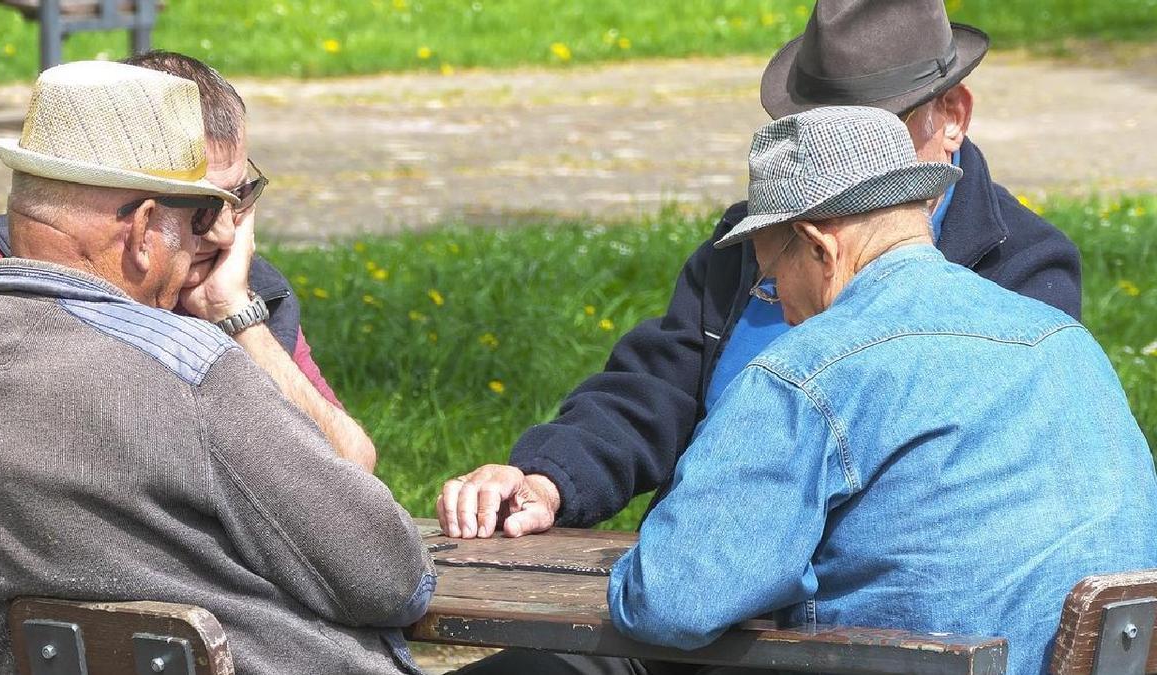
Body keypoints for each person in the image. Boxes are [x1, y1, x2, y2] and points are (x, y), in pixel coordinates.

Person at [438, 0, 1082, 545]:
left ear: (953, 117)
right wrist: (549, 477)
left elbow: (982, 488)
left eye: (873, 131)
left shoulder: (1018, 269)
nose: (842, 164)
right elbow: (657, 386)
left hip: (853, 614)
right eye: (820, 131)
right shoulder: (757, 239)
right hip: (693, 584)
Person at [605, 105, 1157, 675]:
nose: (778, 303)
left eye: (769, 279)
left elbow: (675, 601)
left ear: (820, 247)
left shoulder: (811, 372)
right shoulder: (1066, 343)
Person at [0, 61, 433, 675]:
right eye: (202, 214)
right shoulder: (193, 368)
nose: (225, 233)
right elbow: (392, 578)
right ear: (146, 230)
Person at [0, 50, 378, 470]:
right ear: (138, 211)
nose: (226, 233)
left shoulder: (244, 288)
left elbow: (348, 473)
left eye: (241, 198)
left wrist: (233, 315)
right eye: (204, 209)